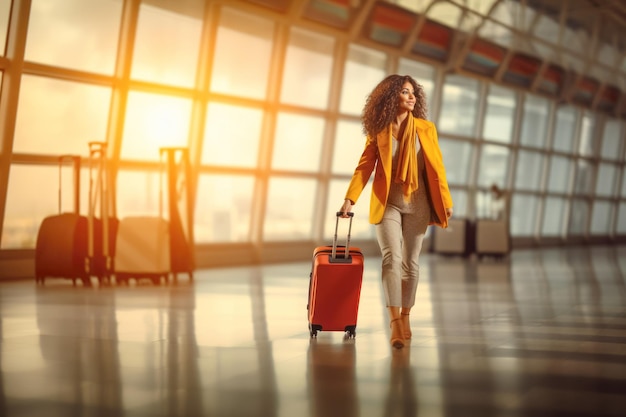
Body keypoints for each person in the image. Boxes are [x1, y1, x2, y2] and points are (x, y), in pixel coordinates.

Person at [339, 74, 453, 349]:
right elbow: (364, 167)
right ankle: (395, 323)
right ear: (391, 97)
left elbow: (437, 170)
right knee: (392, 258)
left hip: (419, 203)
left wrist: (446, 200)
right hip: (388, 202)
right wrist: (350, 199)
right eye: (405, 92)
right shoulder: (379, 132)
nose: (412, 96)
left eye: (413, 92)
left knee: (410, 264)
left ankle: (406, 315)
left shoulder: (426, 129)